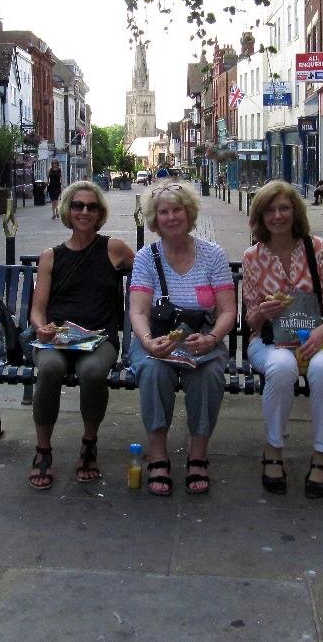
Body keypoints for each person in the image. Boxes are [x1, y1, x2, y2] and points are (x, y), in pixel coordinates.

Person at [128, 181, 237, 496]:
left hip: (201, 338)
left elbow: (228, 310)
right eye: (164, 212)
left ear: (189, 215)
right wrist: (147, 341)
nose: (171, 217)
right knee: (152, 371)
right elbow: (138, 311)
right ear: (155, 218)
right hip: (158, 339)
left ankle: (198, 454)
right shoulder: (147, 257)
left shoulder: (212, 255)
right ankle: (159, 454)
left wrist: (213, 337)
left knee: (209, 373)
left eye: (177, 210)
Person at [242, 180, 323, 499]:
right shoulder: (253, 257)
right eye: (270, 210)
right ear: (260, 217)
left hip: (314, 339)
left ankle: (321, 455)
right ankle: (273, 449)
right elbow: (250, 321)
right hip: (270, 342)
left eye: (284, 208)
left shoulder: (317, 248)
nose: (277, 216)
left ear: (295, 211)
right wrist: (262, 310)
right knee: (282, 367)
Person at [27, 181, 136, 490]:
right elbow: (38, 309)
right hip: (58, 337)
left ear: (100, 213)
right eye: (78, 206)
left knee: (92, 371)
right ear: (67, 210)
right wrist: (41, 328)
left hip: (99, 338)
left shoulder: (113, 248)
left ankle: (89, 443)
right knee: (49, 369)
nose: (84, 212)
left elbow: (147, 271)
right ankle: (43, 449)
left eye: (92, 206)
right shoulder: (51, 256)